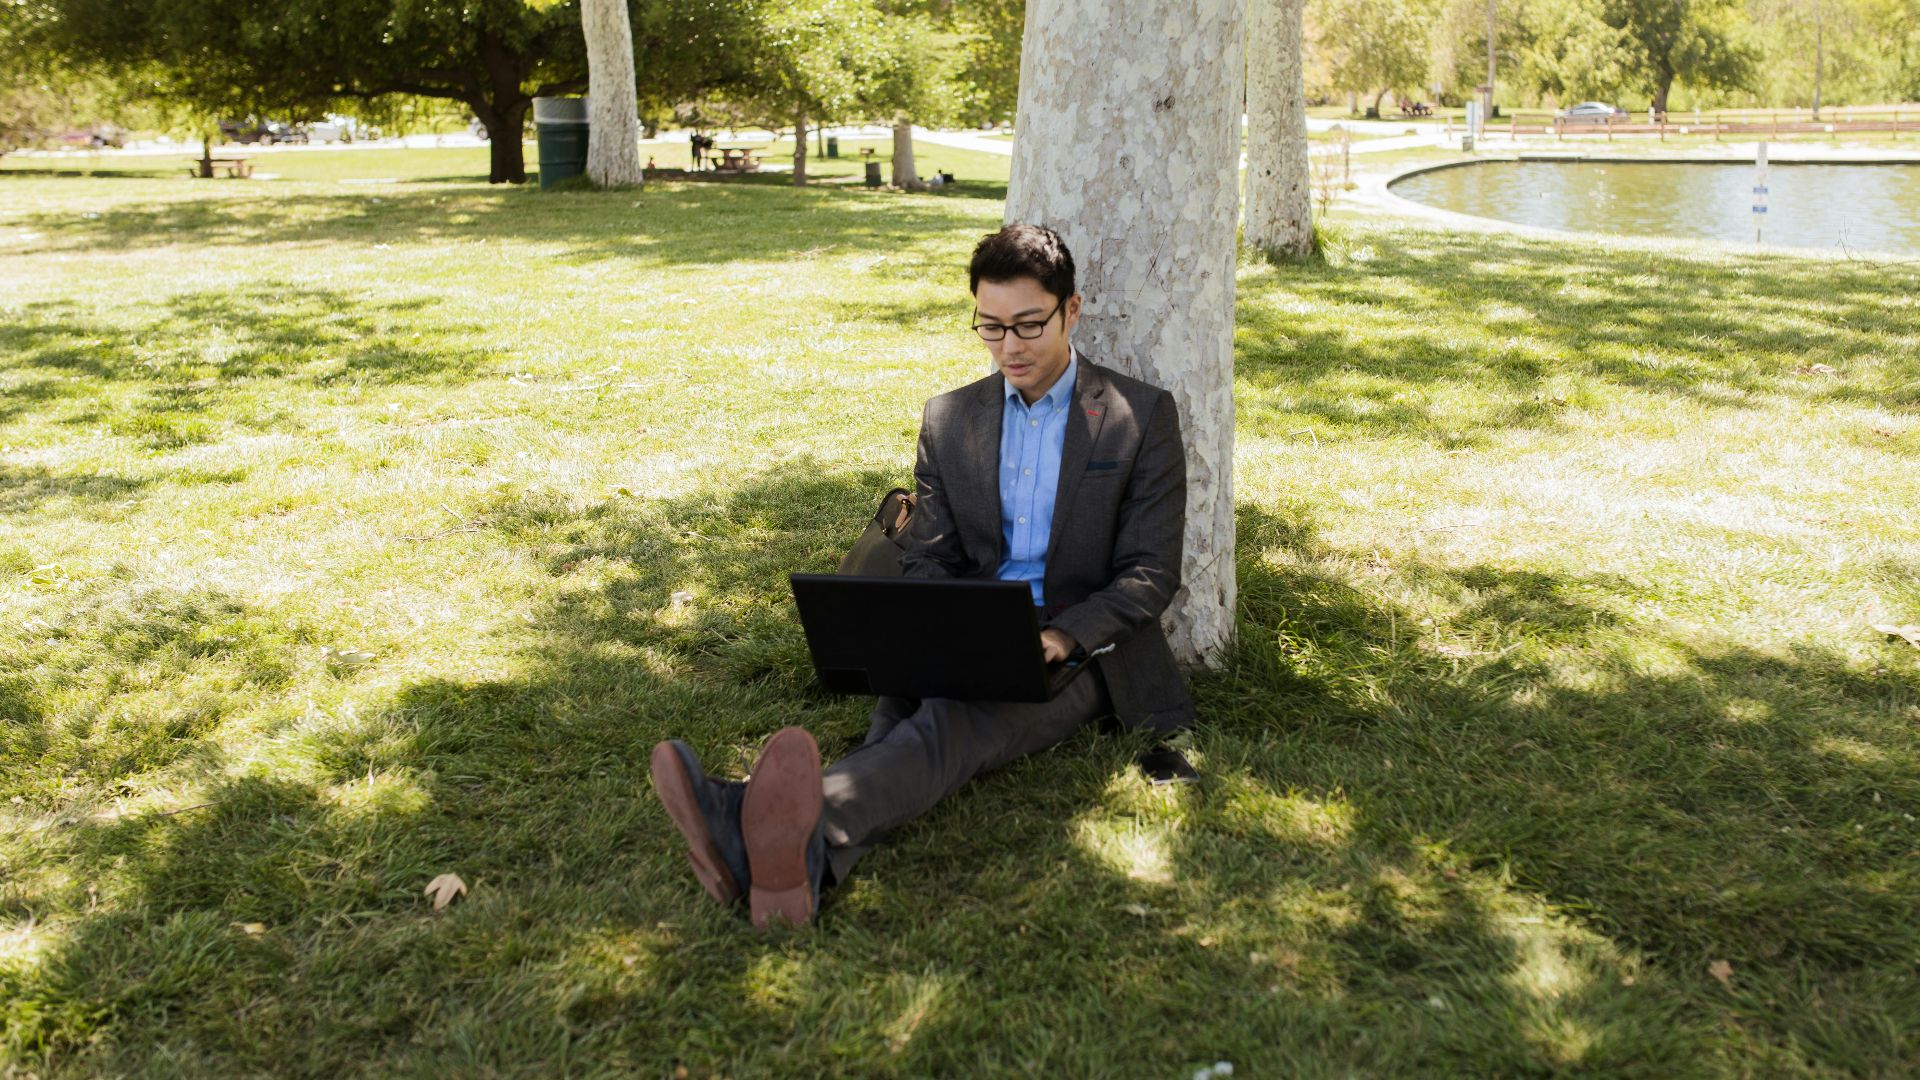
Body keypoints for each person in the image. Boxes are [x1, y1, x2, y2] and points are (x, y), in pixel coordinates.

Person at [650, 223, 1195, 929]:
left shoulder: (1139, 414)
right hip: (972, 619)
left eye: (1029, 325)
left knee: (947, 722)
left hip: (1084, 650)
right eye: (990, 327)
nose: (1010, 347)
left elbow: (1151, 573)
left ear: (1073, 310)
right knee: (909, 697)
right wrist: (930, 625)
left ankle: (747, 814)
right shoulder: (951, 416)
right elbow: (932, 554)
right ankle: (800, 861)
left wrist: (1061, 638)